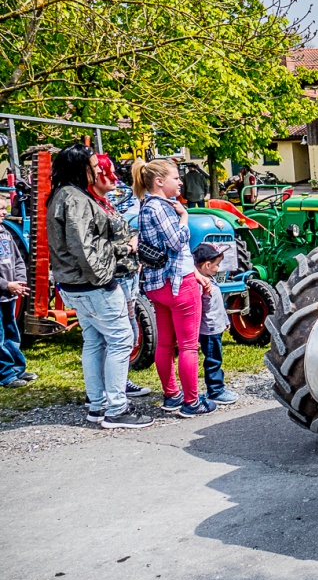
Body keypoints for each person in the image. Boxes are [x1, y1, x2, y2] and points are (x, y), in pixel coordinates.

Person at [46, 144, 151, 429]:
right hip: (93, 285)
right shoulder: (75, 199)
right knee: (121, 340)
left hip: (75, 284)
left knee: (94, 342)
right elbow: (84, 247)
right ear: (81, 168)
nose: (98, 170)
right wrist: (111, 269)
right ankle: (117, 409)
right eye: (93, 165)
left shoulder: (64, 195)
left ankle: (98, 406)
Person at [134, 158, 216, 419]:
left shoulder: (146, 206)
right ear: (160, 182)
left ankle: (172, 395)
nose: (181, 181)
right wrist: (184, 217)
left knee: (165, 344)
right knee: (189, 346)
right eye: (175, 177)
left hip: (157, 285)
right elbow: (177, 241)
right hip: (179, 286)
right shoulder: (164, 209)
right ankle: (192, 402)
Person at [88, 154, 151, 399]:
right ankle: (110, 391)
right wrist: (129, 247)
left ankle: (116, 382)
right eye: (107, 171)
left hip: (128, 271)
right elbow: (98, 245)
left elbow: (126, 225)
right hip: (115, 275)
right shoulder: (92, 203)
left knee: (127, 328)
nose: (114, 177)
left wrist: (133, 238)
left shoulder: (114, 197)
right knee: (116, 335)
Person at [192, 243, 238, 405]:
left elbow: (217, 305)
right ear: (207, 265)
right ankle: (215, 391)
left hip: (215, 328)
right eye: (217, 265)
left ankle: (217, 388)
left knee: (215, 358)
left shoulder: (209, 279)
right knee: (213, 361)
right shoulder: (199, 284)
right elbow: (197, 310)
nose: (218, 268)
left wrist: (225, 321)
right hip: (209, 331)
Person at [0, 191, 32, 389]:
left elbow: (19, 260)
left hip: (9, 295)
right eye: (1, 209)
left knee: (12, 332)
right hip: (3, 290)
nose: (4, 213)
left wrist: (20, 280)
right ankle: (5, 375)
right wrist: (6, 284)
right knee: (0, 336)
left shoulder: (5, 233)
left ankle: (18, 369)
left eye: (4, 208)